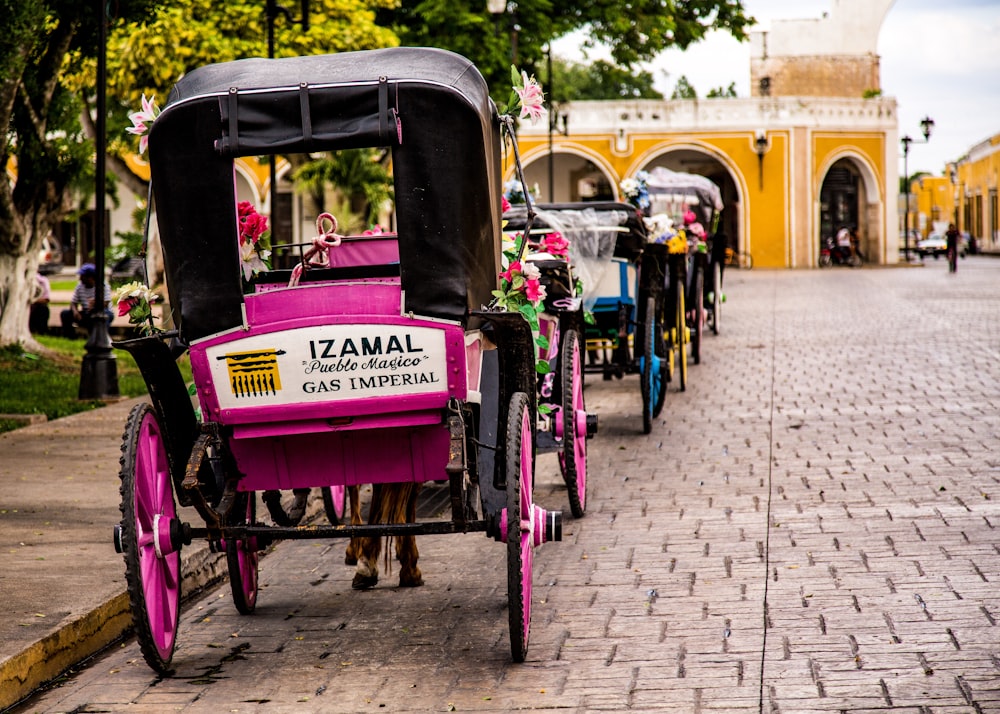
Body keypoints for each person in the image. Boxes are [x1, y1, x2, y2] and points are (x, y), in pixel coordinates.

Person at [60, 263, 113, 338]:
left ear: (90, 277)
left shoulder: (103, 286)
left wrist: (95, 303)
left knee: (105, 315)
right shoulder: (79, 286)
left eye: (82, 276)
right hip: (86, 312)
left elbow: (106, 303)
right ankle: (70, 336)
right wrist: (75, 312)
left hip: (101, 311)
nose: (80, 278)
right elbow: (73, 302)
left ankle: (101, 337)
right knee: (65, 313)